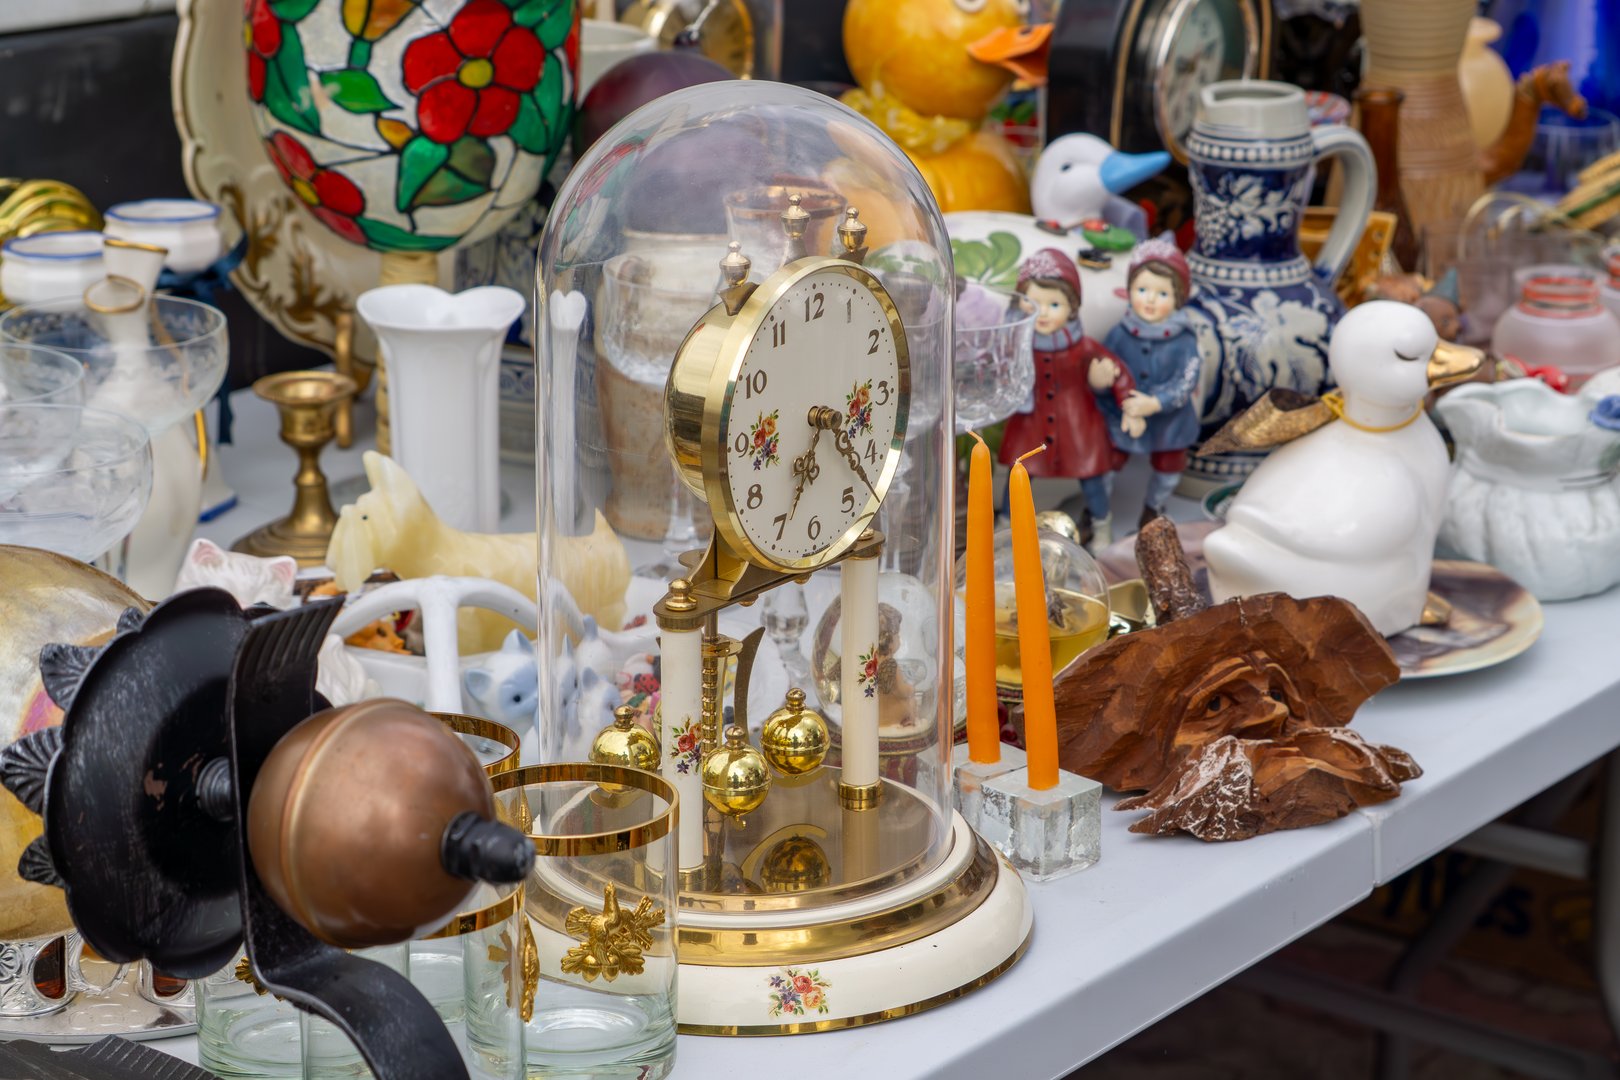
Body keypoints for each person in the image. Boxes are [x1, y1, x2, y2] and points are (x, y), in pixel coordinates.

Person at [998, 248, 1137, 546]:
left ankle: (1101, 527)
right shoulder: (1016, 342)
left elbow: (1118, 370)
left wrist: (1128, 403)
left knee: (1092, 478)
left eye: (1055, 304)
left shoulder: (1082, 346)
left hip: (1078, 426)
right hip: (1030, 424)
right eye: (1034, 302)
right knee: (1017, 475)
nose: (1043, 312)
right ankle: (1006, 525)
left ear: (1072, 307)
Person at [1100, 238, 1202, 529]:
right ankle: (1099, 510)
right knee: (1107, 458)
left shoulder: (1183, 339)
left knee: (1169, 463)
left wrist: (1156, 402)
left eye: (1162, 293)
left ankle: (1153, 507)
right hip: (1122, 414)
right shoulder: (1120, 333)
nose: (1150, 299)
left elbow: (1186, 379)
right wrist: (1100, 380)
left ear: (1177, 297)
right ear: (1129, 290)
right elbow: (1106, 366)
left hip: (1169, 418)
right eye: (1142, 289)